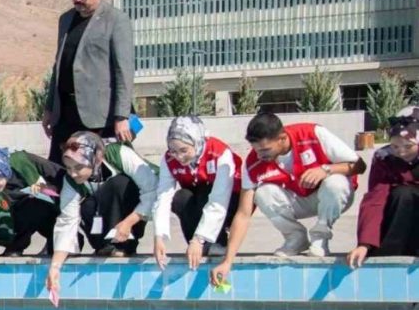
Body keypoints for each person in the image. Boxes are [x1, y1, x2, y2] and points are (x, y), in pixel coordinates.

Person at [208, 114, 365, 289]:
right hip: (297, 200)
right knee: (262, 193)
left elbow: (359, 165)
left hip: (332, 196)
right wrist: (228, 261)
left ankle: (320, 237)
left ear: (282, 138)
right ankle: (295, 238)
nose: (260, 155)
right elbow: (243, 214)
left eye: (265, 150)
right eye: (256, 149)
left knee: (335, 183)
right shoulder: (252, 163)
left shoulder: (313, 134)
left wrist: (326, 170)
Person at [41, 0, 134, 164]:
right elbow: (58, 67)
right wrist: (49, 108)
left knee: (97, 170)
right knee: (57, 169)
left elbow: (123, 72)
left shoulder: (116, 20)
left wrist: (121, 116)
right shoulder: (65, 20)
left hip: (99, 117)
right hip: (65, 113)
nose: (77, 0)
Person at [44, 132, 157, 294]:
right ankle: (104, 245)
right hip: (100, 216)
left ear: (95, 160)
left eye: (78, 167)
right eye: (69, 168)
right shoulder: (70, 180)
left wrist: (129, 222)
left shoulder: (119, 154)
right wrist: (55, 267)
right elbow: (67, 221)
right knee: (85, 204)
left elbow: (152, 190)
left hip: (130, 211)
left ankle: (124, 246)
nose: (73, 173)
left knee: (119, 184)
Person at [0, 147, 62, 310]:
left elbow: (61, 175)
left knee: (37, 203)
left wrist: (46, 188)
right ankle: (16, 245)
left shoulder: (22, 161)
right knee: (28, 206)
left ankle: (57, 241)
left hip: (48, 214)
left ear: (5, 171)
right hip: (10, 225)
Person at [152, 116, 242, 270]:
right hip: (201, 199)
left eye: (184, 150)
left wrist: (199, 238)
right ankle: (198, 247)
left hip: (230, 201)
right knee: (181, 198)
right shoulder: (169, 159)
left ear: (198, 142)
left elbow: (219, 199)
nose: (179, 157)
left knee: (205, 192)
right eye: (173, 151)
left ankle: (216, 242)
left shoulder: (220, 154)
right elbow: (163, 196)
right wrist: (158, 236)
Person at [348, 109, 419, 267]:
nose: (401, 151)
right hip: (400, 210)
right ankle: (391, 252)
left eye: (408, 146)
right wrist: (364, 244)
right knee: (402, 194)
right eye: (395, 146)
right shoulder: (384, 157)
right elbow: (375, 199)